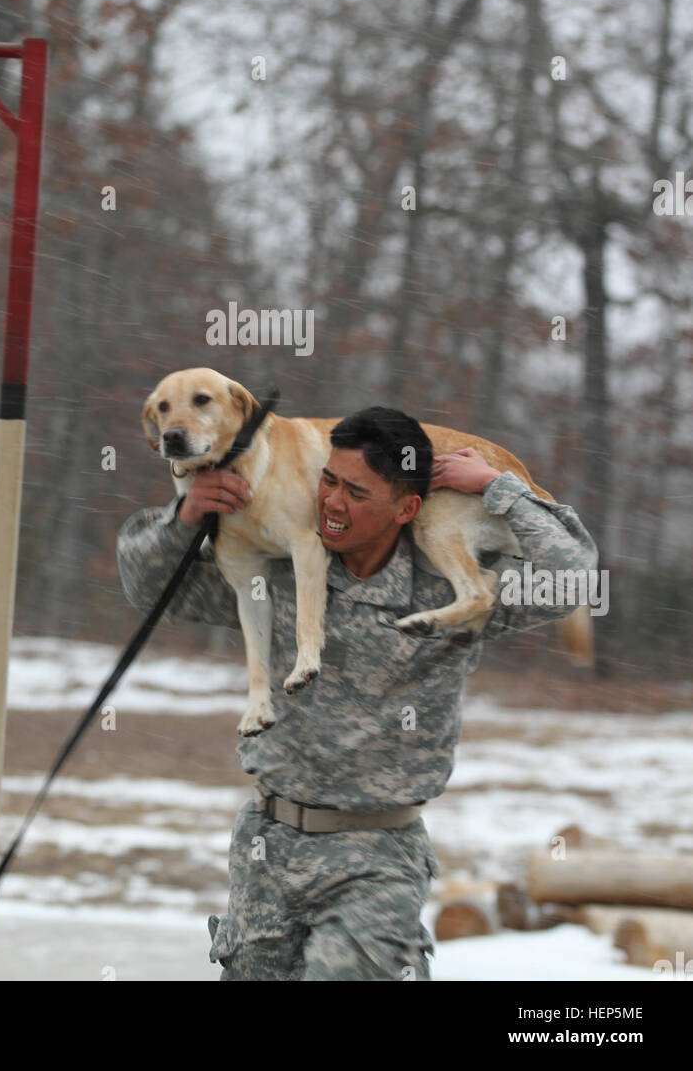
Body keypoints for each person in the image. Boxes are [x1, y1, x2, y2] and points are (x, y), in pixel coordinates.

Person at [116, 406, 598, 981]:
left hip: (378, 857)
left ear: (407, 508)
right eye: (329, 481)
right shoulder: (279, 570)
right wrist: (185, 514)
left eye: (357, 492)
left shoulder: (454, 590)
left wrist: (499, 489)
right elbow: (150, 588)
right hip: (267, 849)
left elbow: (573, 576)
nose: (333, 503)